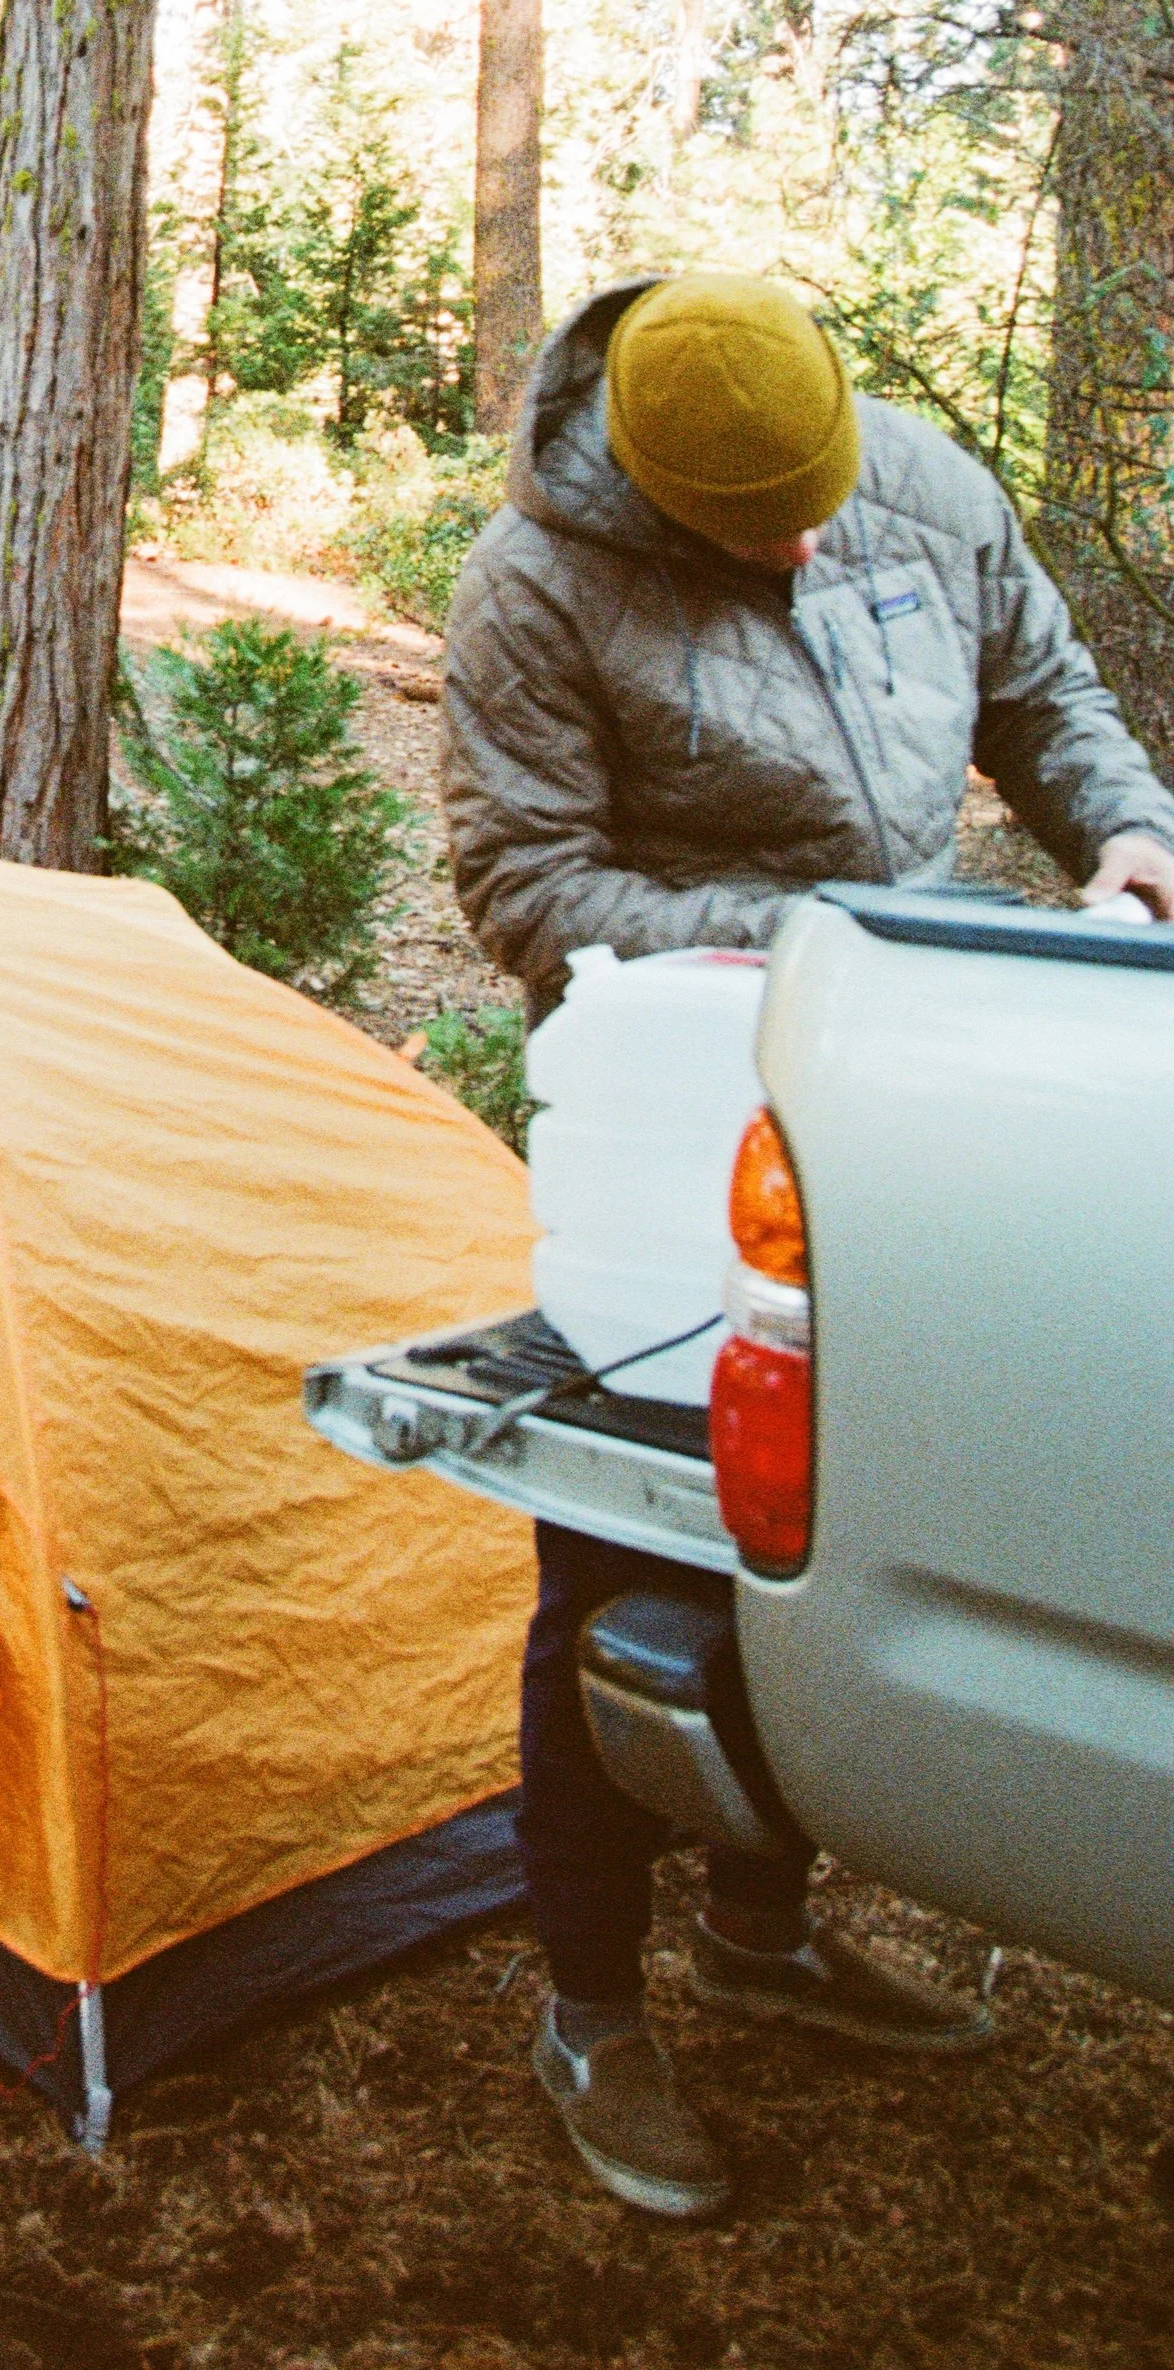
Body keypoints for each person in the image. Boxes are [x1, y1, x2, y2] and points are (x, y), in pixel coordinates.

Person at [443, 270, 1174, 2223]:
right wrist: (808, 955)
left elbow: (1042, 694)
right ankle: (589, 2002)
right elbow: (521, 881)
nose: (802, 540)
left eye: (818, 502)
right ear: (656, 494)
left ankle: (759, 1928)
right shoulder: (533, 587)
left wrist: (1124, 830)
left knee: (824, 1538)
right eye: (757, 527)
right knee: (620, 1562)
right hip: (671, 1117)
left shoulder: (904, 485)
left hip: (894, 1126)